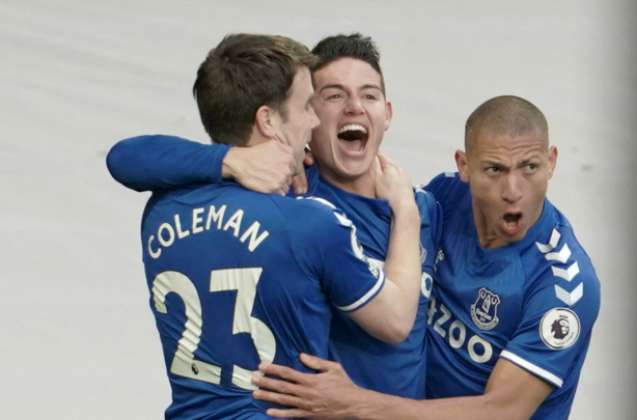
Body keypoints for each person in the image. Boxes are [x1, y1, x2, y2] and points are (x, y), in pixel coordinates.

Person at [106, 33, 423, 419]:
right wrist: (405, 210)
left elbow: (125, 156)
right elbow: (395, 320)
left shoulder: (162, 208)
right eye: (308, 105)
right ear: (268, 119)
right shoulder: (311, 222)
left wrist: (230, 160)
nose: (314, 118)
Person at [250, 96, 601, 420]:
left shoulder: (564, 287)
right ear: (464, 166)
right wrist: (299, 161)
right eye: (494, 170)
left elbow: (500, 412)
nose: (513, 191)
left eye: (529, 167)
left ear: (551, 162)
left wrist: (354, 402)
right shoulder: (446, 198)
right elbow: (361, 196)